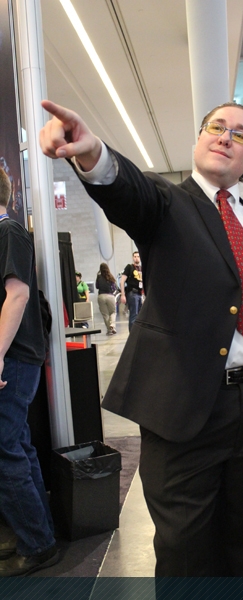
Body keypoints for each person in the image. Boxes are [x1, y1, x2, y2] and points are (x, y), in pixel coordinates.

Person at [39, 99, 243, 585]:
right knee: (185, 551)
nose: (225, 137)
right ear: (199, 138)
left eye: (240, 135)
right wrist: (92, 154)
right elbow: (127, 191)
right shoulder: (167, 204)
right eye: (217, 127)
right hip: (188, 410)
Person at [0, 168, 59, 576]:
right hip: (15, 357)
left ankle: (37, 543)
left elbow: (18, 295)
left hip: (15, 358)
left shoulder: (9, 232)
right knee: (17, 447)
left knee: (5, 452)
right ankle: (39, 536)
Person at [120, 251, 143, 331]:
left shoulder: (141, 268)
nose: (136, 258)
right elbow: (122, 281)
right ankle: (132, 334)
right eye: (135, 256)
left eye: (138, 256)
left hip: (140, 293)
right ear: (133, 258)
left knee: (140, 315)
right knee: (134, 314)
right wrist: (123, 295)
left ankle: (137, 333)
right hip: (132, 293)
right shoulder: (129, 267)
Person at [96, 263, 118, 335]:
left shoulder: (99, 277)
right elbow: (114, 288)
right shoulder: (110, 276)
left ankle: (109, 330)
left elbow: (97, 286)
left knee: (105, 314)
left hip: (101, 296)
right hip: (110, 296)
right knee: (113, 312)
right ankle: (112, 325)